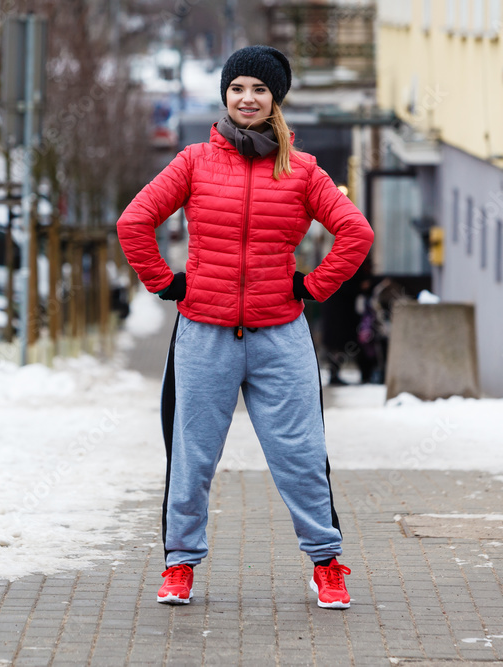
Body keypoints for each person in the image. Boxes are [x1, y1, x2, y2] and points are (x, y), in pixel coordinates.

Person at [116, 45, 374, 608]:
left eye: (259, 90)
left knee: (302, 453)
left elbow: (356, 233)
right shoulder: (193, 162)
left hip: (280, 335)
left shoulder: (302, 170)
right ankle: (179, 565)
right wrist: (166, 284)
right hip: (204, 334)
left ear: (275, 99)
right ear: (226, 96)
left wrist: (312, 287)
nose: (247, 98)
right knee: (191, 453)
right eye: (238, 89)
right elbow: (134, 221)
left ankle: (327, 564)